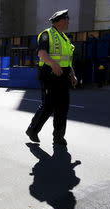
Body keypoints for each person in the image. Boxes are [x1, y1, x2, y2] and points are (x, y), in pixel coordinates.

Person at [25, 9, 77, 146]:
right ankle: (32, 130)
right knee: (48, 106)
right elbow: (42, 53)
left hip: (63, 76)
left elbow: (67, 60)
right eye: (67, 19)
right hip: (49, 74)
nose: (68, 22)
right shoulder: (46, 34)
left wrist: (72, 74)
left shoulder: (65, 38)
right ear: (60, 21)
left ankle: (58, 137)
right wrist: (53, 64)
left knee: (63, 107)